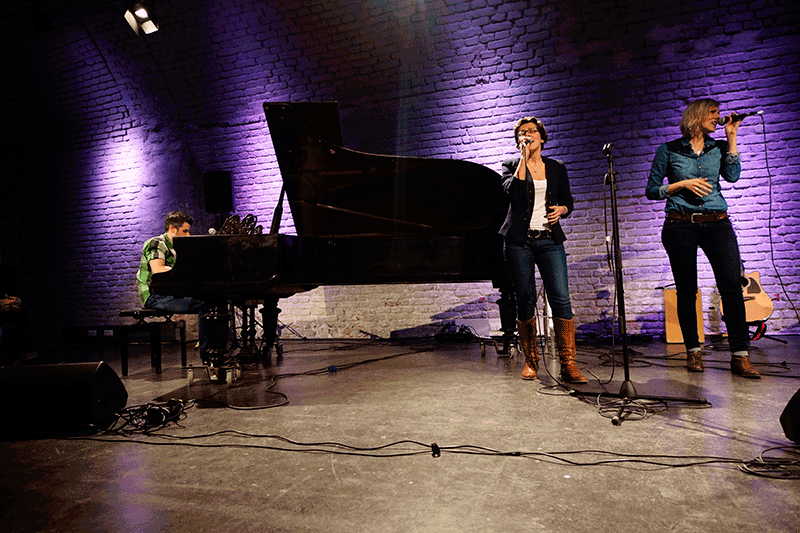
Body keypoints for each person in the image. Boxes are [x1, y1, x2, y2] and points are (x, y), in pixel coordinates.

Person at [645, 98, 759, 379]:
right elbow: (651, 190)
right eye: (713, 112)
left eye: (719, 113)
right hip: (680, 223)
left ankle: (740, 355)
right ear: (697, 116)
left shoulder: (718, 147)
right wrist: (681, 184)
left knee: (731, 287)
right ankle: (693, 351)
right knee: (687, 290)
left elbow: (733, 176)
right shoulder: (669, 150)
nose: (718, 117)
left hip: (717, 223)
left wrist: (731, 138)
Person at [498, 117, 587, 383]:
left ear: (542, 137)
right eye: (521, 133)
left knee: (560, 298)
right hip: (519, 242)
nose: (526, 135)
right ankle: (531, 361)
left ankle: (568, 363)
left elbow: (568, 201)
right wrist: (523, 158)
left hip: (549, 239)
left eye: (531, 131)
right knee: (525, 298)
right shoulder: (511, 165)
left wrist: (563, 209)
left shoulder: (556, 167)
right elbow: (512, 193)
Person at [136, 211, 209, 363]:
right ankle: (208, 356)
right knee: (204, 305)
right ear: (172, 229)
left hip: (168, 293)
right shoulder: (156, 243)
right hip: (153, 296)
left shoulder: (176, 248)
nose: (188, 235)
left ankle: (216, 351)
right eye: (185, 231)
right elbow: (158, 270)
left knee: (212, 300)